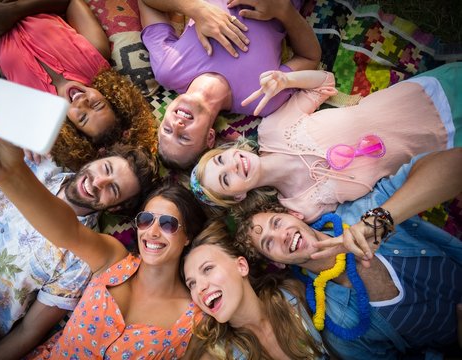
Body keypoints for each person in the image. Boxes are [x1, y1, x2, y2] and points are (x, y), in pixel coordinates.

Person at [0, 95, 211, 358]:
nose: (152, 232)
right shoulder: (115, 261)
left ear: (187, 235)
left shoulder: (195, 318)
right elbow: (66, 229)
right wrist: (8, 174)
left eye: (168, 224)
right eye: (145, 220)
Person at [0, 143, 157, 360]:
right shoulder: (39, 164)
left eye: (113, 189)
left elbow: (28, 332)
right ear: (97, 157)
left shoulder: (80, 261)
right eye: (105, 168)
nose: (98, 182)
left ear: (114, 207)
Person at [231, 148, 462, 359]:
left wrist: (380, 219)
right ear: (278, 264)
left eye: (277, 222)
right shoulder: (340, 327)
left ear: (296, 214)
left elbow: (454, 164)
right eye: (268, 243)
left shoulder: (365, 208)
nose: (282, 235)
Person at [191, 63, 461, 222]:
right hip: (445, 152)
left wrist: (286, 80)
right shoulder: (302, 207)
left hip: (427, 95)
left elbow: (324, 83)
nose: (232, 165)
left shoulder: (272, 129)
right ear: (238, 196)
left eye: (220, 159)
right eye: (226, 179)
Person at [0, 0, 157, 171]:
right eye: (98, 105)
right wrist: (14, 10)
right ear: (110, 98)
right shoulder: (96, 56)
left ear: (70, 126)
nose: (83, 101)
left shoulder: (34, 107)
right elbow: (69, 2)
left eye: (83, 117)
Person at [139, 0, 322, 169]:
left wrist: (196, 9)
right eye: (184, 138)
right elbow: (310, 57)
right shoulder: (261, 99)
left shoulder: (169, 70)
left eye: (167, 129)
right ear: (210, 137)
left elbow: (147, 3)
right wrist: (284, 10)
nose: (177, 125)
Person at [183, 220, 328, 359]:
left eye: (208, 269)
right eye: (192, 284)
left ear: (241, 266)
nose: (200, 288)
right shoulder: (216, 355)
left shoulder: (295, 296)